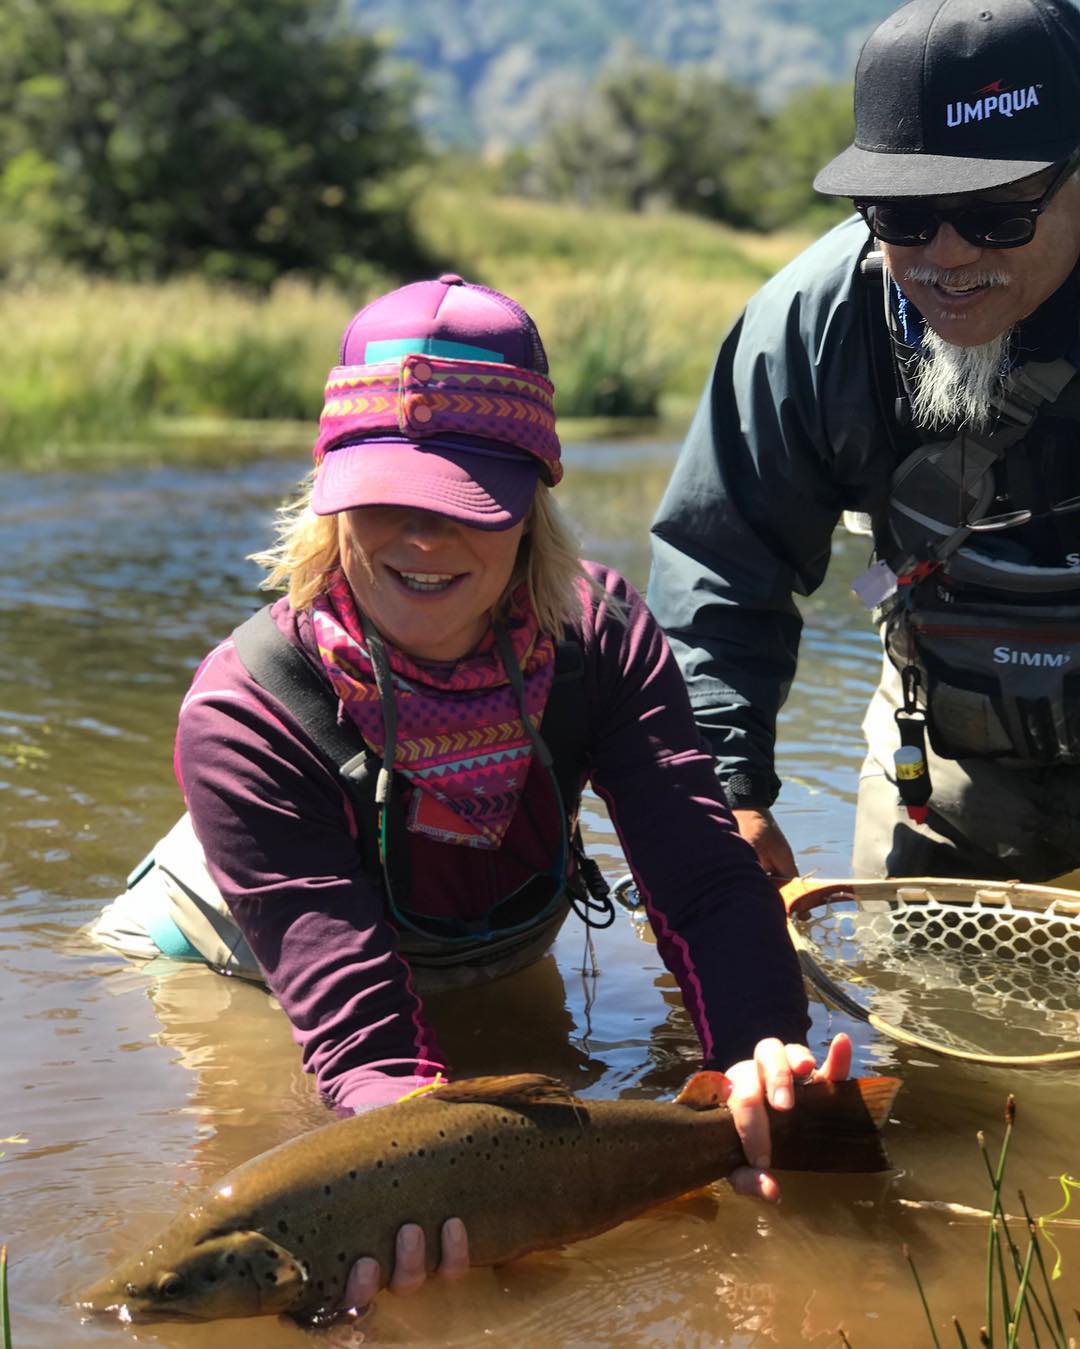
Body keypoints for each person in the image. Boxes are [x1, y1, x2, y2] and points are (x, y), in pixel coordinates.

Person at [92, 274, 848, 1305]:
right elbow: (359, 1036)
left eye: (466, 503)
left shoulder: (603, 641)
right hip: (234, 959)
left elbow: (707, 883)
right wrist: (406, 1160)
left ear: (535, 500)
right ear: (328, 490)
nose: (423, 537)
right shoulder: (243, 711)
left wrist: (766, 1062)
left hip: (472, 923)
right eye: (387, 497)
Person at [649, 0, 1080, 884]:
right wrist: (730, 791)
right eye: (903, 215)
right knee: (909, 1018)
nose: (946, 255)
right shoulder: (813, 323)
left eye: (997, 213)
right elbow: (723, 567)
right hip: (945, 757)